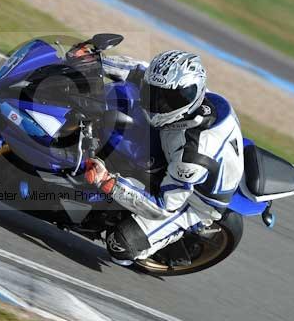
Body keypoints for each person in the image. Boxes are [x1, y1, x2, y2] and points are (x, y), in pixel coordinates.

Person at [85, 50, 244, 266]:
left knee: (119, 247)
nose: (157, 103)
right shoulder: (183, 93)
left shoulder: (192, 155)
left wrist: (109, 183)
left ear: (188, 98)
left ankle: (173, 238)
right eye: (153, 92)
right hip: (173, 144)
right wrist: (96, 59)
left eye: (167, 99)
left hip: (191, 200)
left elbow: (162, 205)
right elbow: (138, 70)